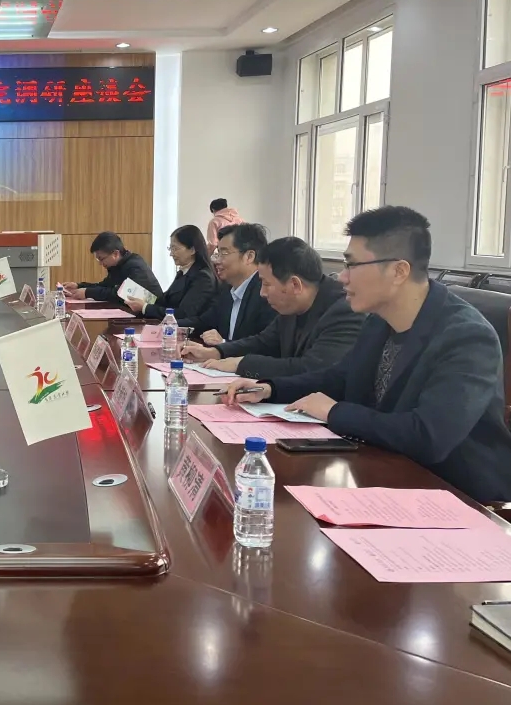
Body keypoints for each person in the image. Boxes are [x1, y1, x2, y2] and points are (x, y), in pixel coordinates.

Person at [224, 207, 511, 503]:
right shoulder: (379, 321)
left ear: (399, 271)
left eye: (352, 265)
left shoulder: (467, 337)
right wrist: (270, 388)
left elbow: (428, 437)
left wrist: (334, 412)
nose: (342, 277)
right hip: (385, 473)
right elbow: (340, 377)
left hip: (457, 496)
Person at [183, 236, 363, 379]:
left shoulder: (345, 311)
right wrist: (215, 352)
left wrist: (241, 364)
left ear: (295, 285)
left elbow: (313, 368)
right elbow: (263, 342)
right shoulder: (291, 306)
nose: (262, 293)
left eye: (267, 284)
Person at [178, 223, 276, 345]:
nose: (216, 261)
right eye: (217, 254)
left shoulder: (266, 293)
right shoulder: (227, 289)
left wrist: (224, 344)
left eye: (224, 253)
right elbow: (203, 322)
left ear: (249, 257)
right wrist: (169, 325)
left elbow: (264, 345)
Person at [125, 225, 217, 321]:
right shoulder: (183, 272)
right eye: (170, 248)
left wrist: (145, 307)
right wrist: (141, 298)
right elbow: (165, 301)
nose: (171, 254)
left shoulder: (203, 277)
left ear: (192, 250)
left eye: (175, 249)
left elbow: (183, 313)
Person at [62, 231, 163, 302]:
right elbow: (105, 286)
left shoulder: (135, 266)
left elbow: (122, 294)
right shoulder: (117, 266)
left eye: (101, 259)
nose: (100, 263)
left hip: (151, 317)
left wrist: (88, 292)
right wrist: (79, 286)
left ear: (115, 254)